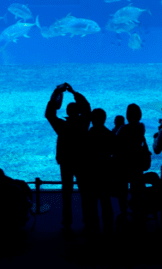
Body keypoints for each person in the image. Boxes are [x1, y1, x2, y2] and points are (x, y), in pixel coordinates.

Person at [44, 82, 91, 232]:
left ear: (68, 112)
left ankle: (67, 222)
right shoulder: (84, 124)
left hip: (66, 162)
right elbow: (87, 108)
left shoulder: (62, 126)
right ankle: (87, 221)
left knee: (66, 192)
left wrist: (56, 93)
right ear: (77, 112)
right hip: (81, 161)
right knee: (84, 191)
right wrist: (73, 92)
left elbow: (49, 114)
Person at [114, 103, 148, 227]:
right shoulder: (141, 128)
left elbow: (115, 144)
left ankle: (123, 213)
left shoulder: (123, 129)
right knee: (136, 189)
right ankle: (137, 213)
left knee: (123, 190)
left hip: (124, 164)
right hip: (137, 164)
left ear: (127, 116)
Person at [84, 108, 115, 233]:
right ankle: (109, 228)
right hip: (105, 172)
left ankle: (93, 229)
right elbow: (114, 151)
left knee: (92, 203)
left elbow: (84, 154)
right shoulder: (109, 134)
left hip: (91, 173)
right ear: (104, 119)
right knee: (106, 201)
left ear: (92, 120)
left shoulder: (88, 135)